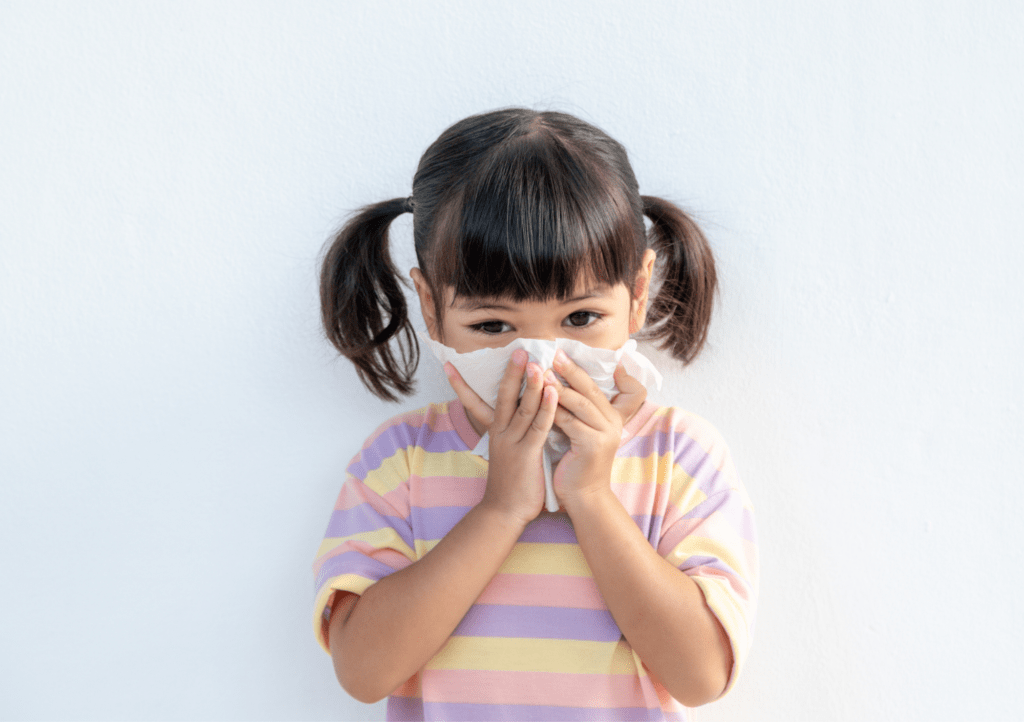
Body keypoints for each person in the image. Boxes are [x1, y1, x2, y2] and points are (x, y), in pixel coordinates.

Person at [312, 108, 757, 721]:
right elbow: (363, 673)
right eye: (493, 326)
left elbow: (703, 675)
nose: (539, 361)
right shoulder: (400, 461)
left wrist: (594, 497)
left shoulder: (677, 455)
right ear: (431, 307)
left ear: (637, 293)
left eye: (579, 319)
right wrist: (501, 508)